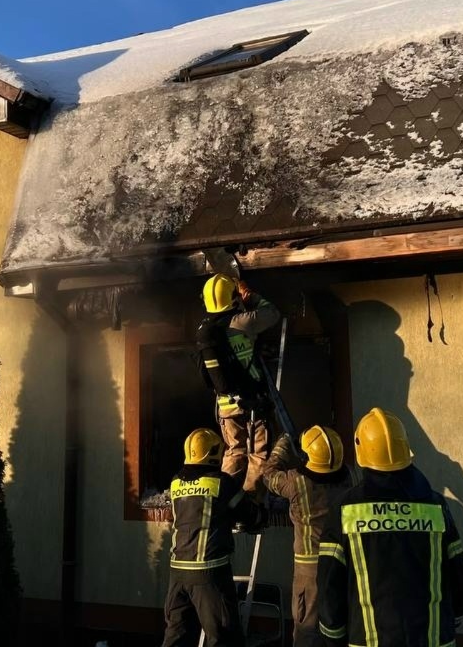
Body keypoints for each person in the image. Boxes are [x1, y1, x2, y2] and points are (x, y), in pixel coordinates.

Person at [318, 408, 463, 647]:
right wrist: (453, 616)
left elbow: (329, 588)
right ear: (405, 449)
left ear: (361, 452)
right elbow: (458, 578)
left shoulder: (345, 510)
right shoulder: (435, 506)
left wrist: (333, 637)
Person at [162, 428, 266, 647]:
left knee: (177, 637)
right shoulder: (221, 483)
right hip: (209, 573)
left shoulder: (175, 482)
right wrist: (261, 512)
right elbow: (250, 515)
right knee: (223, 637)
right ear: (213, 453)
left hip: (178, 573)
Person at [261, 426, 354, 647]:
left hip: (310, 570)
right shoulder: (352, 475)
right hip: (344, 564)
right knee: (341, 626)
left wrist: (283, 445)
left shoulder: (296, 482)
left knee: (307, 632)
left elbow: (268, 475)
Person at [197, 273, 281, 492]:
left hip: (225, 405)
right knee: (259, 454)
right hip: (252, 401)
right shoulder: (241, 322)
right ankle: (252, 502)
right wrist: (250, 296)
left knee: (234, 451)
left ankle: (224, 497)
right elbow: (272, 314)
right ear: (232, 298)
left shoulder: (207, 331)